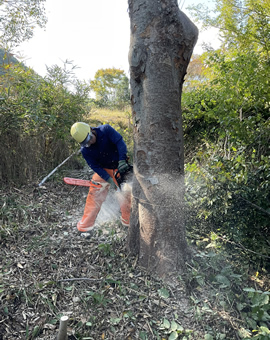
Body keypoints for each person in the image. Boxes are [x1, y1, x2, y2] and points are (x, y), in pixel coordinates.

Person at [70, 122, 131, 234]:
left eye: (89, 139)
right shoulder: (85, 150)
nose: (89, 143)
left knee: (125, 193)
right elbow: (95, 166)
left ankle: (127, 223)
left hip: (119, 166)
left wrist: (122, 160)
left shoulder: (105, 130)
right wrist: (108, 179)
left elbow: (119, 142)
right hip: (104, 170)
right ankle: (85, 227)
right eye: (86, 143)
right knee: (95, 192)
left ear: (91, 130)